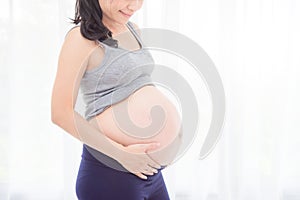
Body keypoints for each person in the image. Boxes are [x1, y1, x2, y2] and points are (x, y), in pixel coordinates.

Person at [51, 0, 183, 199]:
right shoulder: (81, 39)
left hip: (150, 175)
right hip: (111, 174)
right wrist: (123, 155)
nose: (135, 6)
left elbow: (139, 86)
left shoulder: (132, 29)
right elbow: (60, 113)